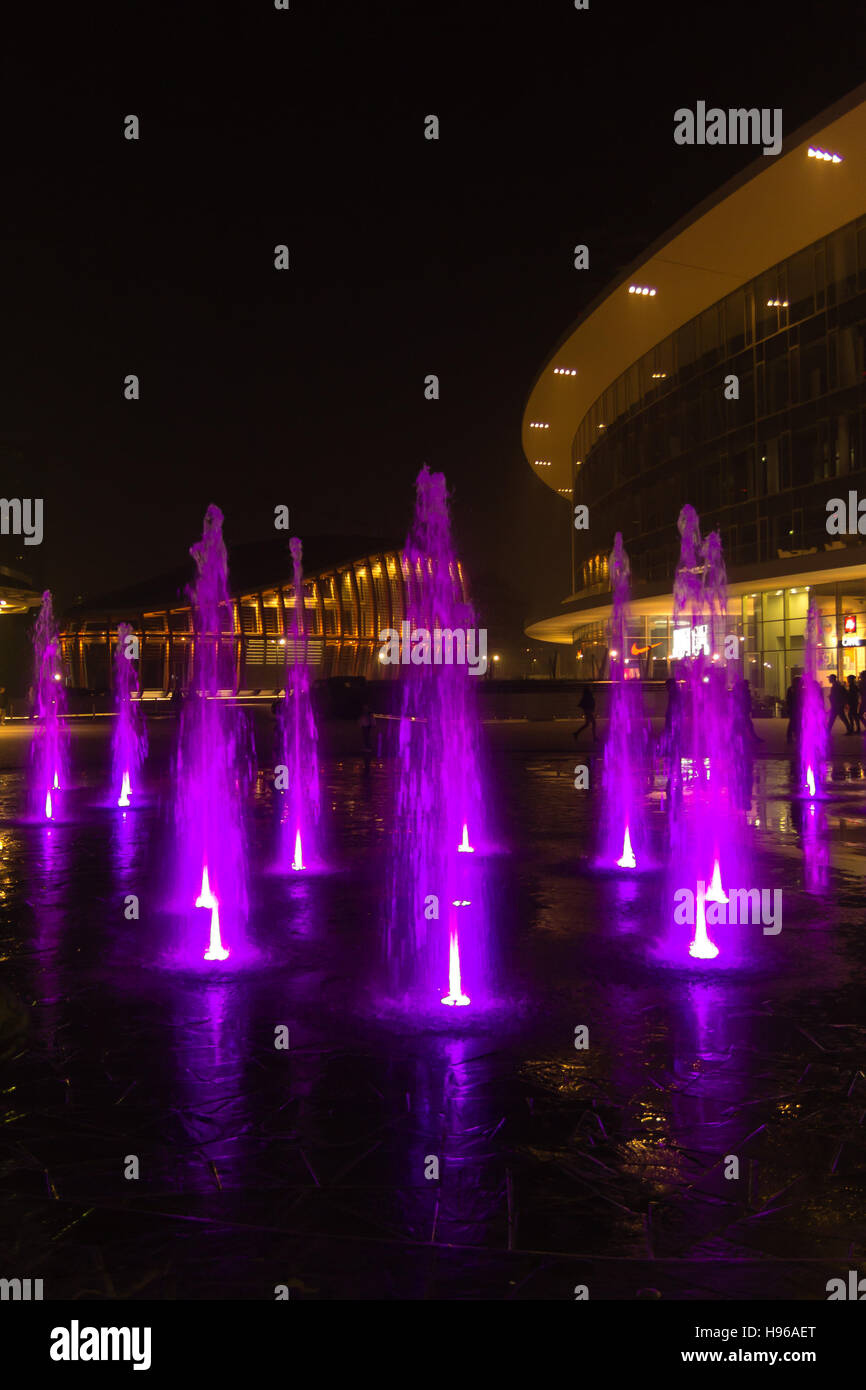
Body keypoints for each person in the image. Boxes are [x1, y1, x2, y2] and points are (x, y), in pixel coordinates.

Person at [734, 677, 763, 743]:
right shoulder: (744, 692)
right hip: (743, 712)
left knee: (745, 725)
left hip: (743, 711)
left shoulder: (744, 691)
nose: (748, 685)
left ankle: (748, 738)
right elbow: (744, 702)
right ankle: (748, 739)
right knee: (746, 725)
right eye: (747, 684)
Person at [785, 674, 802, 745]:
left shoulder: (795, 689)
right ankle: (791, 736)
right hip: (794, 709)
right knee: (793, 722)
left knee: (795, 722)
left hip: (796, 708)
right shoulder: (792, 689)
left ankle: (794, 735)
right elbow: (790, 700)